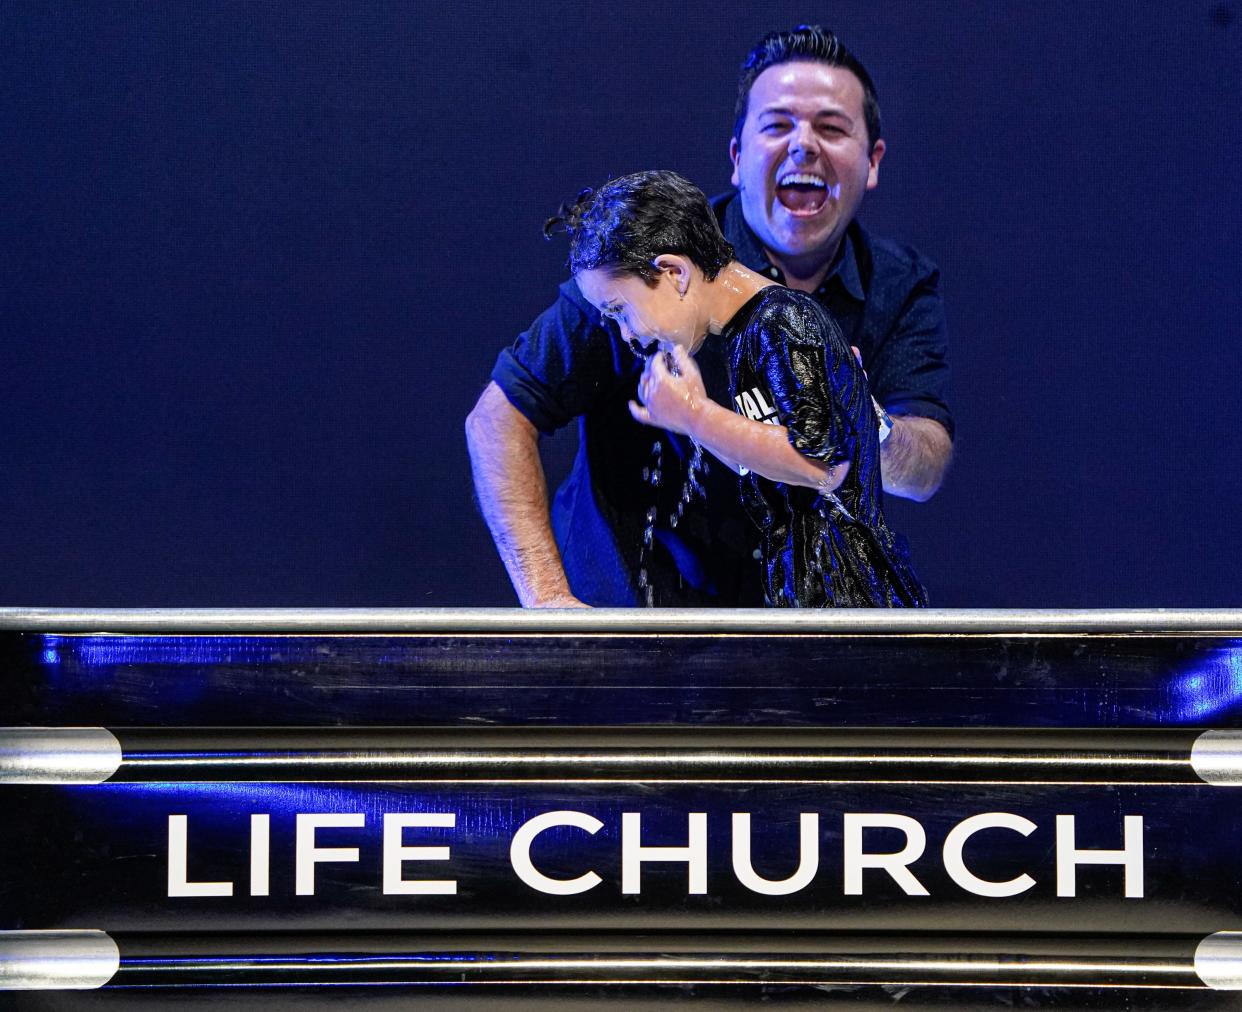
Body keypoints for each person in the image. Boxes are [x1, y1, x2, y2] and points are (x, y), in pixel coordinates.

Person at [466, 25, 952, 608]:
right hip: (629, 623)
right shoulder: (633, 265)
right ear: (737, 157)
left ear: (872, 161)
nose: (803, 145)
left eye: (831, 126)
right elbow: (497, 417)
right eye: (776, 124)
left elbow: (846, 466)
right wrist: (548, 603)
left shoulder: (826, 309)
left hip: (789, 627)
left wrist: (852, 416)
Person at [558, 169, 926, 607]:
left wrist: (696, 414)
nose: (627, 336)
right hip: (811, 600)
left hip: (851, 605)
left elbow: (823, 464)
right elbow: (769, 465)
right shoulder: (746, 337)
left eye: (620, 310)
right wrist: (690, 423)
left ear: (674, 272)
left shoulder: (782, 323)